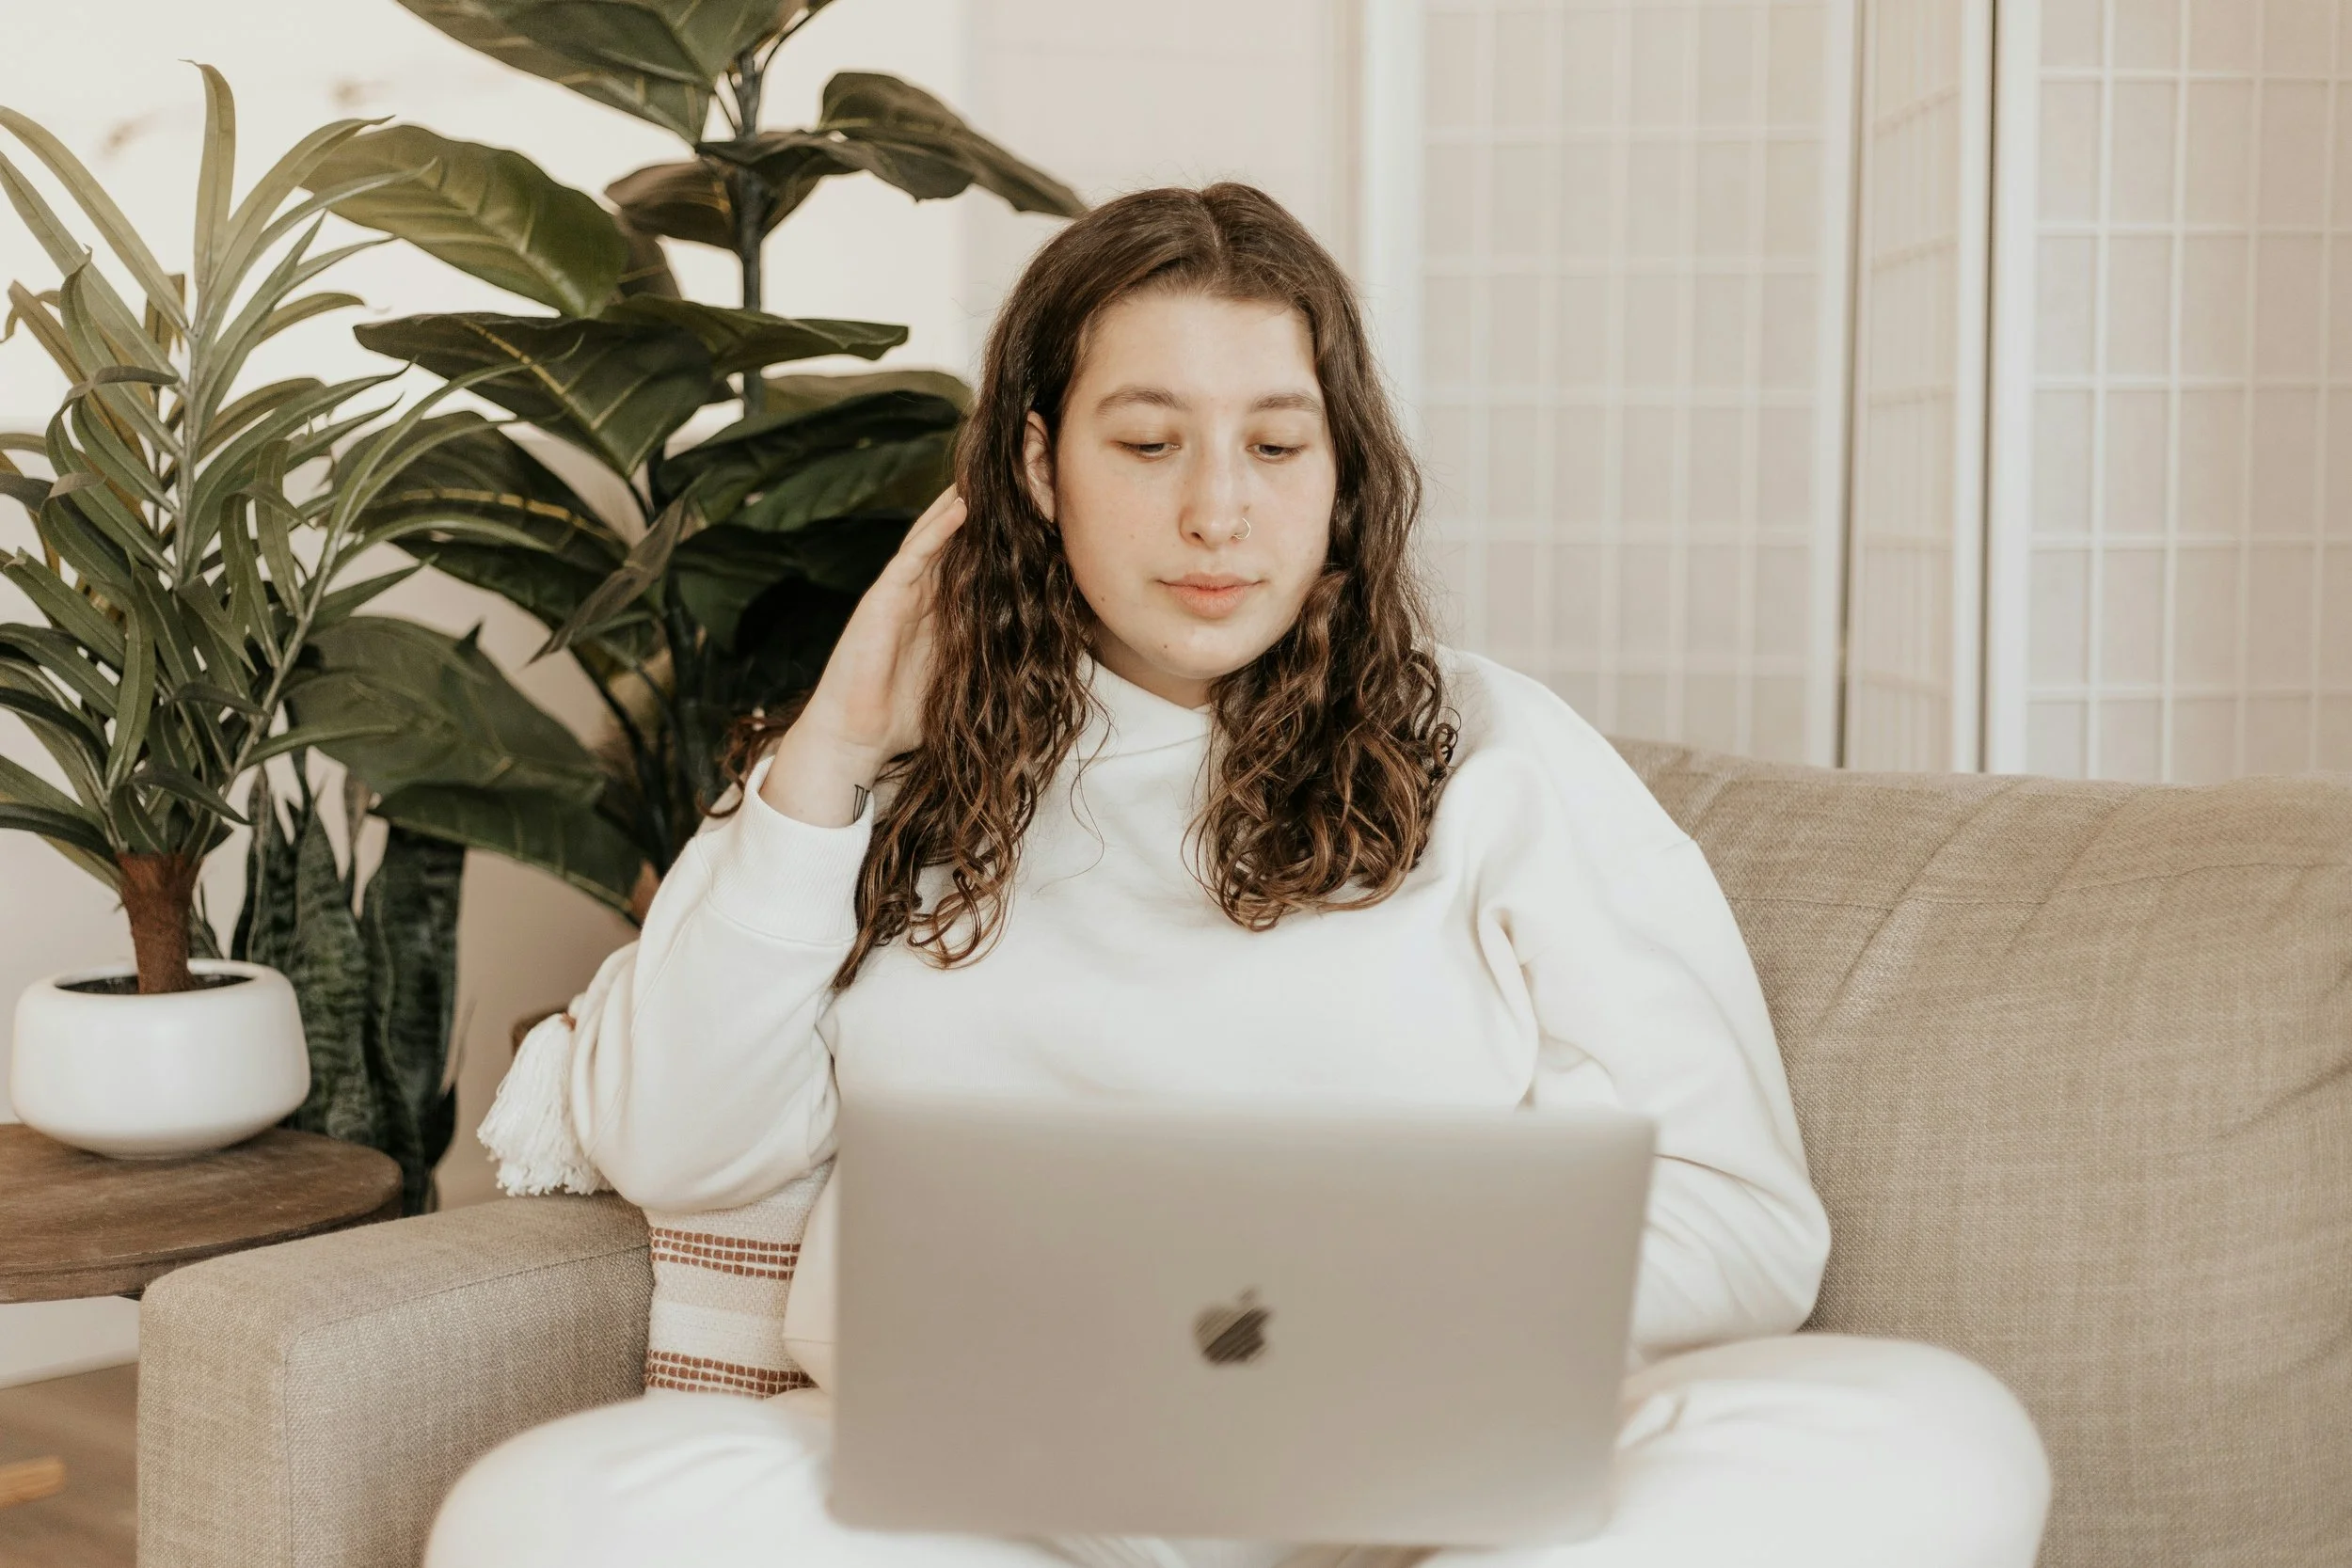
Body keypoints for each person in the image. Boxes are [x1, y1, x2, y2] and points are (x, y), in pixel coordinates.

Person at [423, 182, 2050, 1568]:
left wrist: (1378, 1333)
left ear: (1343, 487)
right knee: (547, 1509)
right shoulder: (880, 791)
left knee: (1930, 1429)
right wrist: (841, 735)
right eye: (1149, 443)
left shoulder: (1496, 751)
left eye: (1278, 444)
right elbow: (680, 1142)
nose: (1219, 510)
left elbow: (1748, 1221)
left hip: (1443, 1511)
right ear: (1039, 469)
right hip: (995, 1520)